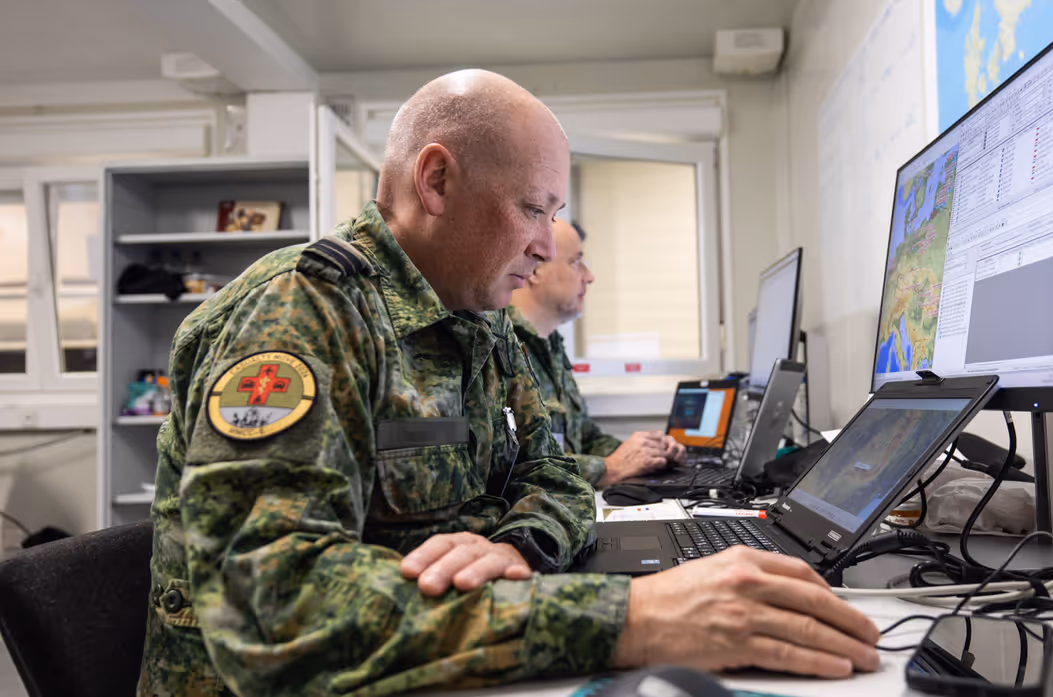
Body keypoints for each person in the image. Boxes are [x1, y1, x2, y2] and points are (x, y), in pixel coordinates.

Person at [138, 69, 880, 696]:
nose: (544, 245)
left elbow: (553, 472)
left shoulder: (480, 316)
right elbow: (274, 609)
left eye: (552, 215)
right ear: (436, 181)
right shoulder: (300, 314)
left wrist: (523, 545)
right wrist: (630, 617)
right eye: (532, 208)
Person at [508, 219, 686, 487]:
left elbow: (584, 437)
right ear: (534, 269)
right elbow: (516, 466)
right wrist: (607, 469)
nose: (589, 276)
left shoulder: (551, 347)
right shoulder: (499, 346)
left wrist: (648, 452)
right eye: (575, 262)